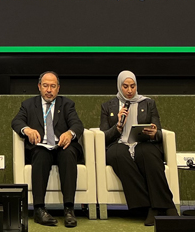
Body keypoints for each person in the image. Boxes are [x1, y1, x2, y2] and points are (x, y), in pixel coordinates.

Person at [99, 71, 177, 226]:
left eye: (132, 86)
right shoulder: (108, 106)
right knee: (117, 155)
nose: (129, 90)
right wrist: (118, 125)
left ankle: (161, 206)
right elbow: (104, 137)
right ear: (120, 86)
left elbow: (158, 131)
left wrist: (155, 133)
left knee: (147, 153)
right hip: (119, 144)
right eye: (126, 86)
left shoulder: (148, 103)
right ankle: (149, 206)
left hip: (143, 143)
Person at [11, 71, 85, 228]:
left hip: (61, 146)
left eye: (52, 86)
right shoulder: (28, 105)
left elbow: (77, 125)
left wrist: (69, 133)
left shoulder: (67, 104)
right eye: (45, 86)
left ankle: (69, 209)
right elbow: (16, 121)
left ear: (58, 88)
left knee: (68, 153)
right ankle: (39, 210)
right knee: (40, 154)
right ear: (39, 87)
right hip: (41, 146)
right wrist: (27, 130)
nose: (49, 90)